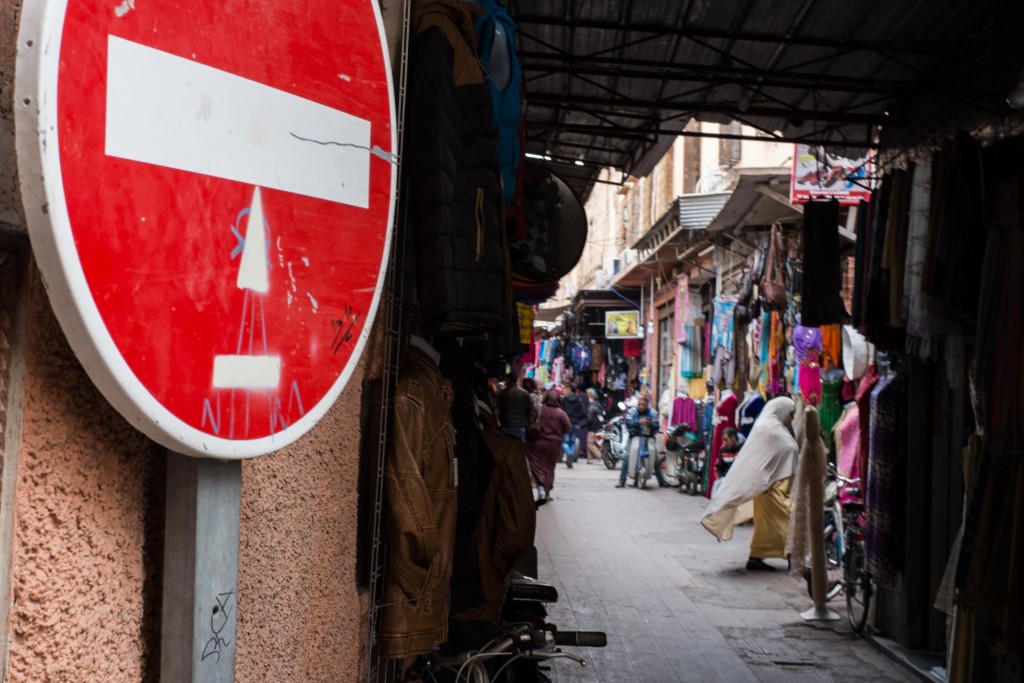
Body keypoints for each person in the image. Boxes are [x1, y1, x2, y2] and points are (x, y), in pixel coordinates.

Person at [700, 397, 798, 572]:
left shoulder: (774, 427)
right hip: (770, 486)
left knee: (768, 525)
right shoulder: (767, 428)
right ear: (781, 409)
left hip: (775, 483)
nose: (791, 417)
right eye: (790, 413)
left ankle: (757, 557)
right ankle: (793, 555)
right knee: (785, 519)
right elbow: (773, 453)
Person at [525, 390, 571, 503]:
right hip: (554, 446)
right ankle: (547, 492)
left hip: (537, 444)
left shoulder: (538, 409)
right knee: (550, 468)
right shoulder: (561, 413)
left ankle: (540, 488)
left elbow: (528, 423)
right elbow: (568, 428)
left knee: (537, 466)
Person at [616, 395, 659, 488]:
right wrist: (638, 422)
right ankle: (622, 480)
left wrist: (650, 423)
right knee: (627, 456)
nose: (641, 406)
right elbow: (627, 423)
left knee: (655, 456)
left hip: (648, 437)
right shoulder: (632, 411)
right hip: (634, 436)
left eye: (643, 405)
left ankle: (662, 481)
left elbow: (657, 425)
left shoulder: (652, 412)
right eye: (639, 405)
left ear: (647, 405)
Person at [497, 373, 533, 442]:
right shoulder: (525, 393)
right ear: (517, 380)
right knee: (518, 450)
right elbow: (530, 411)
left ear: (508, 380)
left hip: (506, 426)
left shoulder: (503, 393)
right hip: (520, 427)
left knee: (505, 450)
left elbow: (497, 410)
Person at [561, 385, 588, 468]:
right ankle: (570, 462)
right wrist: (578, 417)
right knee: (572, 442)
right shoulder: (579, 400)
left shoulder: (564, 399)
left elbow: (561, 410)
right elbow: (583, 413)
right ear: (576, 391)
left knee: (564, 442)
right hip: (575, 423)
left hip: (566, 423)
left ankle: (568, 453)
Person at [584, 388, 604, 464]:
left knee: (590, 444)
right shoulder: (599, 405)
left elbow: (589, 419)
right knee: (592, 443)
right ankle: (590, 459)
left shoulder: (591, 407)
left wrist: (584, 425)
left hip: (592, 428)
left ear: (590, 396)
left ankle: (600, 456)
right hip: (599, 427)